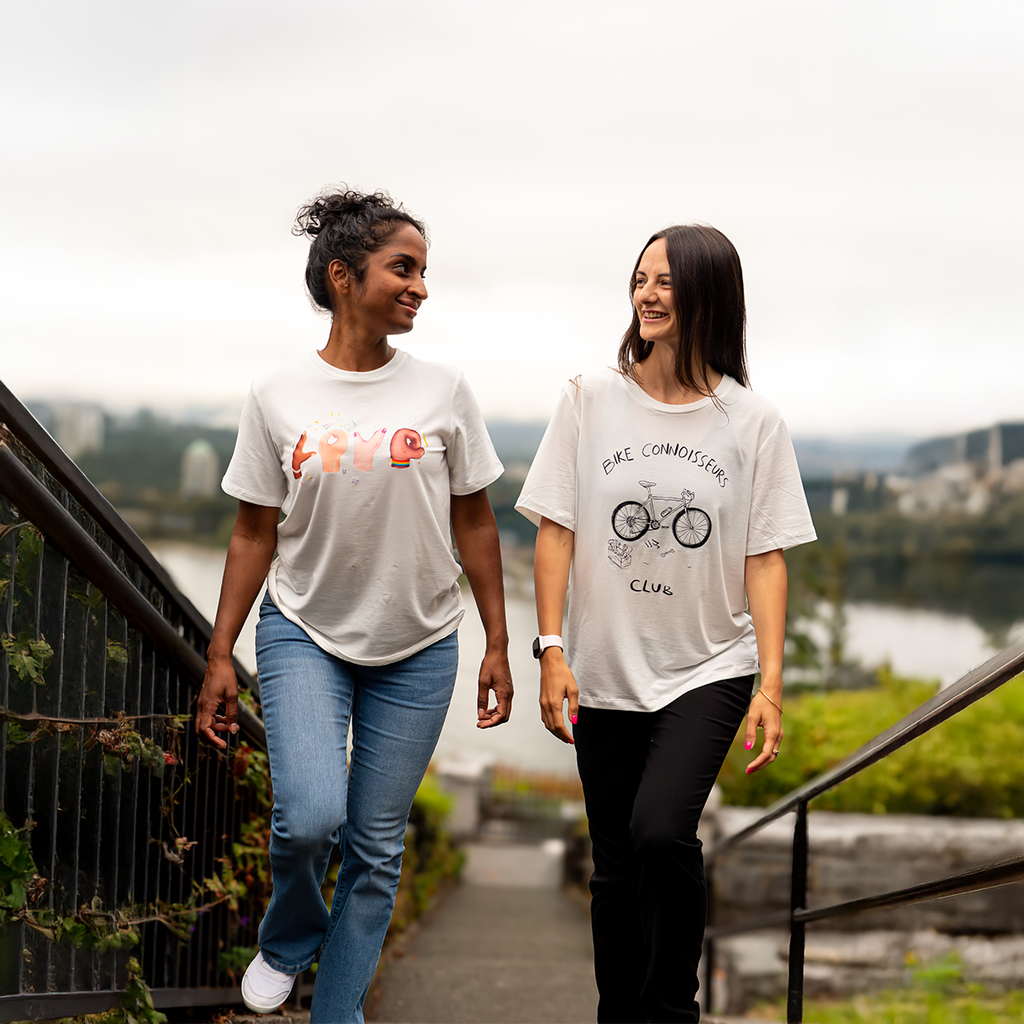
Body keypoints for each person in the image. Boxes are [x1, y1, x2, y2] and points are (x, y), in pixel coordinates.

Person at [194, 187, 513, 1023]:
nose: (420, 286)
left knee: (376, 849)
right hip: (305, 630)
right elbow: (253, 534)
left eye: (424, 271)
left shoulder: (444, 389)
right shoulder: (276, 394)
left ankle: (337, 1014)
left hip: (419, 643)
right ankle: (290, 936)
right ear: (343, 276)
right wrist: (221, 652)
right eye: (401, 268)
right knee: (310, 819)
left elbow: (476, 521)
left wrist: (498, 643)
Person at [516, 224, 815, 1023]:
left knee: (657, 832)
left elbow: (766, 560)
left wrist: (772, 688)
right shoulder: (588, 398)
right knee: (613, 868)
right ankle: (621, 1013)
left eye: (666, 282)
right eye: (640, 278)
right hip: (604, 668)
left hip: (710, 665)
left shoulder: (753, 423)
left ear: (708, 297)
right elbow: (555, 530)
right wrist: (549, 649)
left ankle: (671, 1007)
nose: (647, 294)